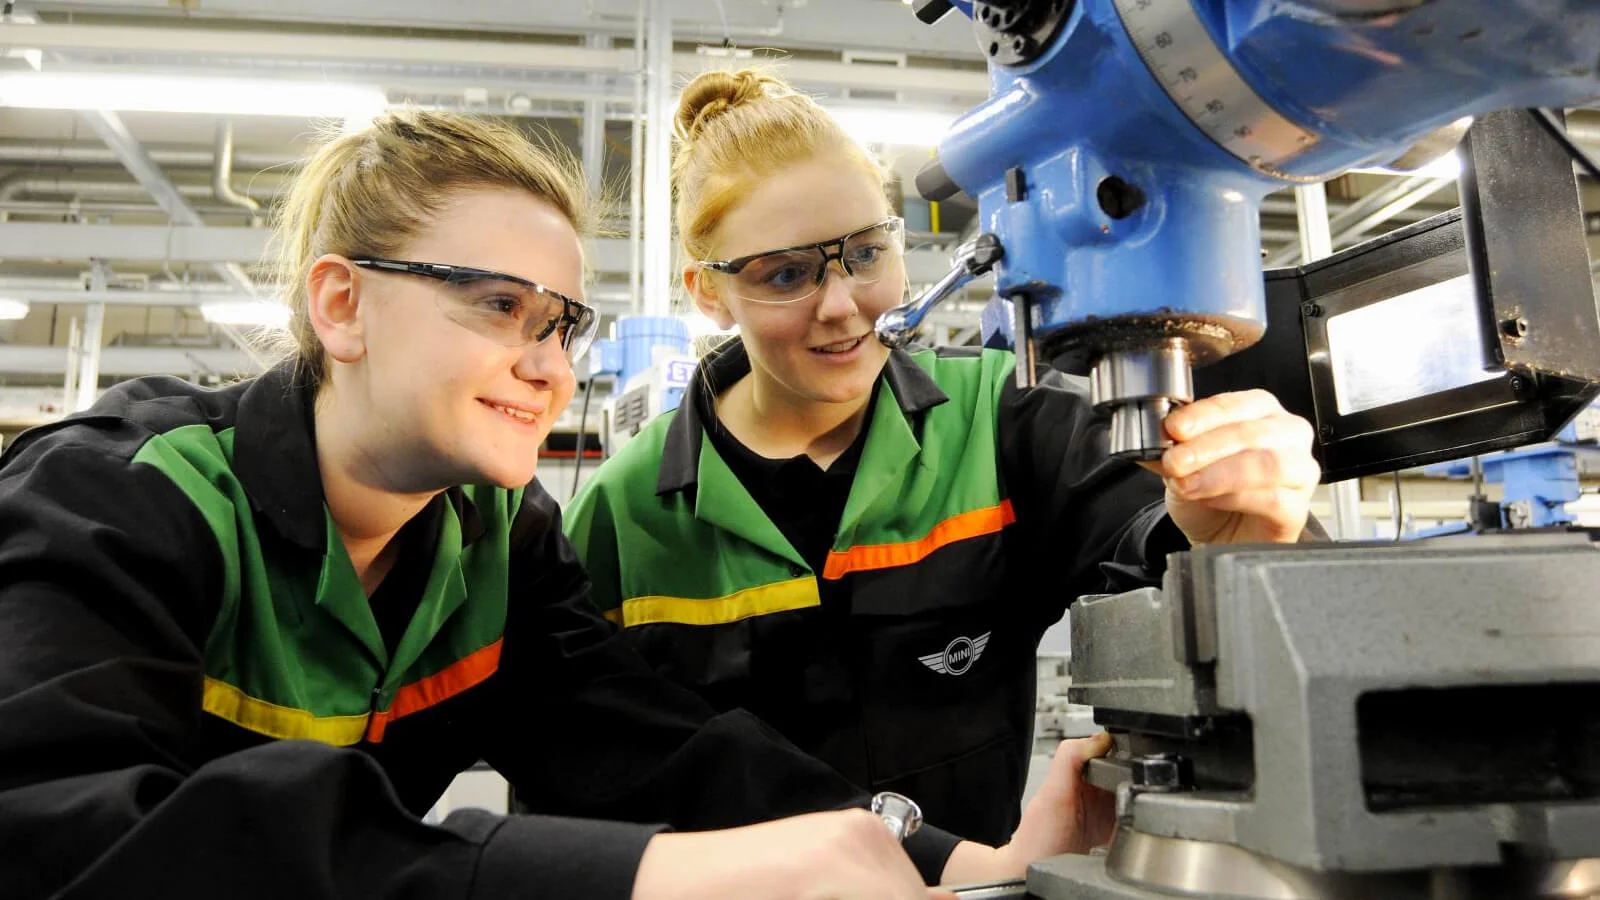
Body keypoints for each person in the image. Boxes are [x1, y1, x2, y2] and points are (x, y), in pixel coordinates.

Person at [0, 109, 1097, 900]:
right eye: (497, 307)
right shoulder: (116, 503)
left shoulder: (496, 550)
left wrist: (958, 863)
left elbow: (672, 752)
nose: (550, 367)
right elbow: (61, 835)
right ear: (343, 304)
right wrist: (650, 876)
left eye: (561, 324)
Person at [563, 69, 1323, 848]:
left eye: (864, 253)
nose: (842, 304)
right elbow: (581, 793)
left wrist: (1230, 536)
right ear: (708, 292)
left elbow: (1171, 583)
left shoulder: (1003, 425)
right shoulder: (625, 511)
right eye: (786, 274)